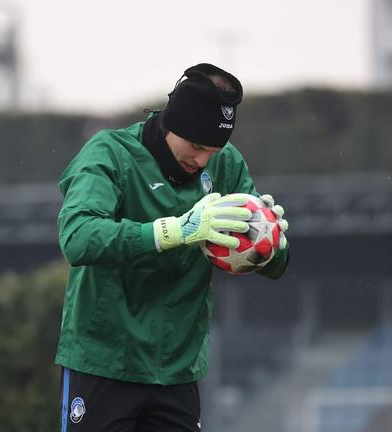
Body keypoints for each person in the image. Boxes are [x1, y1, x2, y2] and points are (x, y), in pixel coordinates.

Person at [56, 63, 290, 431]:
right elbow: (78, 236)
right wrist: (172, 232)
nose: (203, 161)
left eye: (214, 150)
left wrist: (273, 243)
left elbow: (275, 265)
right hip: (102, 362)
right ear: (170, 124)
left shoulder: (226, 166)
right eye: (196, 146)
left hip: (175, 372)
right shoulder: (109, 154)